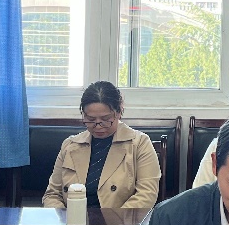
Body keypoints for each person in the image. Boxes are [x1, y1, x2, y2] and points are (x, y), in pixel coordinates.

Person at [43, 81, 160, 211]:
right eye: (91, 120)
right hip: (72, 220)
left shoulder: (139, 143)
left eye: (106, 119)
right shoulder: (70, 145)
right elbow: (52, 194)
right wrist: (65, 218)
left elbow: (146, 194)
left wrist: (113, 221)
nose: (98, 126)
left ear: (119, 112)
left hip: (120, 221)